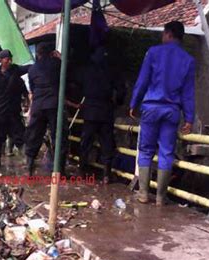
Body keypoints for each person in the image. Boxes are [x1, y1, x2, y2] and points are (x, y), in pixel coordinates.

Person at [130, 21, 195, 206]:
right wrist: (189, 118)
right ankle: (160, 197)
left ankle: (143, 194)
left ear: (168, 34)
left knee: (146, 150)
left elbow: (142, 81)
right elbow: (188, 92)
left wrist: (134, 103)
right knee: (167, 152)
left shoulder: (153, 52)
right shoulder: (188, 60)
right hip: (172, 111)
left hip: (151, 108)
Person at [78, 46, 126, 184]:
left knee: (85, 142)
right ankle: (106, 174)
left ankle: (82, 170)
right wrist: (117, 103)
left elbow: (78, 84)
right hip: (106, 110)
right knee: (107, 143)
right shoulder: (112, 70)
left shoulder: (87, 70)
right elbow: (121, 90)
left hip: (90, 110)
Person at [25, 42, 67, 176]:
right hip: (54, 104)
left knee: (34, 135)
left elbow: (32, 88)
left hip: (38, 105)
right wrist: (60, 58)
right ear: (51, 52)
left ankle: (29, 166)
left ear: (37, 54)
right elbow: (66, 74)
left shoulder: (32, 69)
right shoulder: (57, 64)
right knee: (59, 135)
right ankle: (59, 170)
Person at [0, 49, 30, 169]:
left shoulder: (16, 70)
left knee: (19, 136)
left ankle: (26, 160)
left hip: (14, 112)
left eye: (10, 58)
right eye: (7, 59)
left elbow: (29, 68)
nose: (9, 60)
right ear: (0, 60)